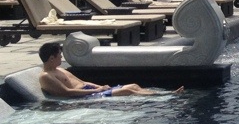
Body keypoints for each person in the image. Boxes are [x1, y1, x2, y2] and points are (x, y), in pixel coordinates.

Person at [37, 42, 181, 98]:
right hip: (86, 96)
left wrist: (100, 86)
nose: (61, 58)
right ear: (51, 58)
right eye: (59, 56)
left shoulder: (60, 70)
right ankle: (164, 97)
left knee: (133, 85)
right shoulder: (46, 76)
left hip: (92, 90)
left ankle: (164, 94)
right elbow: (67, 92)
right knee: (128, 91)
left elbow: (82, 82)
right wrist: (97, 91)